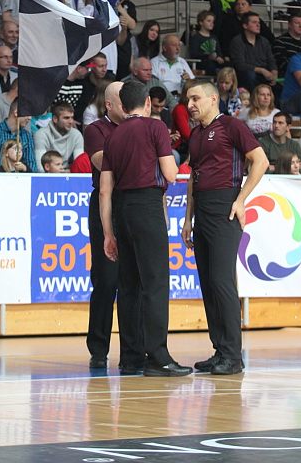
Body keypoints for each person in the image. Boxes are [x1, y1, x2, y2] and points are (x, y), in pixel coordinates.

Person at [100, 80, 191, 377]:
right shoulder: (155, 127)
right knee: (155, 284)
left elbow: (105, 190)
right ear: (149, 102)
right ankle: (158, 358)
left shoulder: (113, 136)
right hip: (147, 206)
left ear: (123, 106)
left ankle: (131, 358)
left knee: (129, 286)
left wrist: (108, 233)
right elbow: (170, 174)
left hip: (122, 209)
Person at [181, 81, 268, 374]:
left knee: (222, 281)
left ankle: (233, 356)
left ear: (213, 98)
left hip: (225, 206)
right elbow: (193, 177)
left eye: (195, 98)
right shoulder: (196, 134)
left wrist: (241, 200)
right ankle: (220, 351)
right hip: (202, 208)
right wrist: (188, 218)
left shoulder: (231, 126)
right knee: (208, 283)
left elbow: (260, 161)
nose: (190, 105)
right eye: (188, 99)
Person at [83, 81, 128, 369]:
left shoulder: (139, 127)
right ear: (109, 105)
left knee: (133, 282)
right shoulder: (96, 129)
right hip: (105, 203)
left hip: (133, 202)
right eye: (123, 102)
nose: (129, 107)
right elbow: (103, 163)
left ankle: (134, 350)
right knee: (106, 279)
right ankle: (98, 349)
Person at [228, 12, 277, 92]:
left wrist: (274, 73)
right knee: (250, 75)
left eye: (258, 22)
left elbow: (271, 60)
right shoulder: (237, 41)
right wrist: (261, 70)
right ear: (245, 26)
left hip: (264, 75)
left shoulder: (264, 41)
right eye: (254, 22)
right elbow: (240, 65)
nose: (258, 25)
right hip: (246, 75)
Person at [0, 98, 36, 172]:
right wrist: (10, 175)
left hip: (22, 177)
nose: (30, 118)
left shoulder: (27, 135)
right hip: (1, 177)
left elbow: (31, 164)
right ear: (16, 113)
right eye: (27, 114)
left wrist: (24, 169)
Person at [34, 102, 84, 171]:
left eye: (72, 118)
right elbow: (40, 168)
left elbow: (80, 166)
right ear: (55, 119)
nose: (71, 121)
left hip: (67, 174)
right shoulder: (41, 134)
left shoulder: (77, 135)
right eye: (66, 118)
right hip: (47, 176)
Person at [189, 10, 224, 76]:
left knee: (228, 65)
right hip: (202, 62)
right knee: (210, 65)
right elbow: (194, 54)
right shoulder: (196, 37)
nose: (211, 23)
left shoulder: (214, 37)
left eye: (212, 21)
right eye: (208, 21)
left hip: (214, 61)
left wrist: (219, 57)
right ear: (201, 22)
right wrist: (207, 56)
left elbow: (218, 51)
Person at [272, 12, 301, 78]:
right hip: (288, 78)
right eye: (297, 23)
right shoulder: (280, 42)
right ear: (289, 25)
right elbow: (282, 65)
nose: (300, 26)